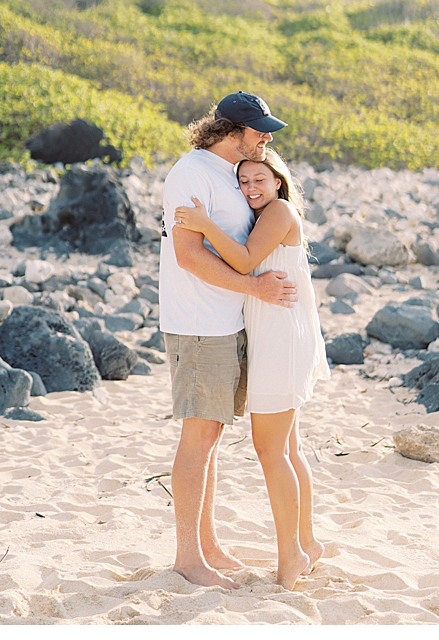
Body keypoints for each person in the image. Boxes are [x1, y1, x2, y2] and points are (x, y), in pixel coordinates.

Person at [158, 91, 298, 591]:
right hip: (199, 322)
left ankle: (208, 546)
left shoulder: (230, 173)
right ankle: (188, 558)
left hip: (226, 320)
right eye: (259, 130)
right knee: (198, 438)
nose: (267, 138)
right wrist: (255, 287)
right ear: (231, 130)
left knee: (211, 436)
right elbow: (188, 256)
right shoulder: (191, 173)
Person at [174, 146, 329, 589]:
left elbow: (243, 262)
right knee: (288, 448)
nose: (251, 187)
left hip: (280, 336)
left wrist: (204, 227)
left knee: (270, 450)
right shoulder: (266, 217)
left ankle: (291, 559)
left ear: (278, 180)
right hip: (278, 333)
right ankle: (306, 544)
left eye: (259, 178)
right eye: (243, 182)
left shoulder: (279, 211)